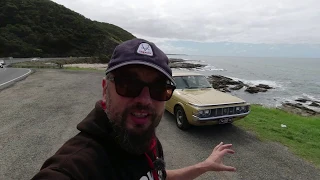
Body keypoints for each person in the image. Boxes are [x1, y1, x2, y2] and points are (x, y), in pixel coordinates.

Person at [31, 38, 236, 180]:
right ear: (105, 90)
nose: (144, 100)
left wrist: (205, 166)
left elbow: (156, 176)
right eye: (128, 84)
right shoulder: (74, 167)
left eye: (158, 88)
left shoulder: (149, 142)